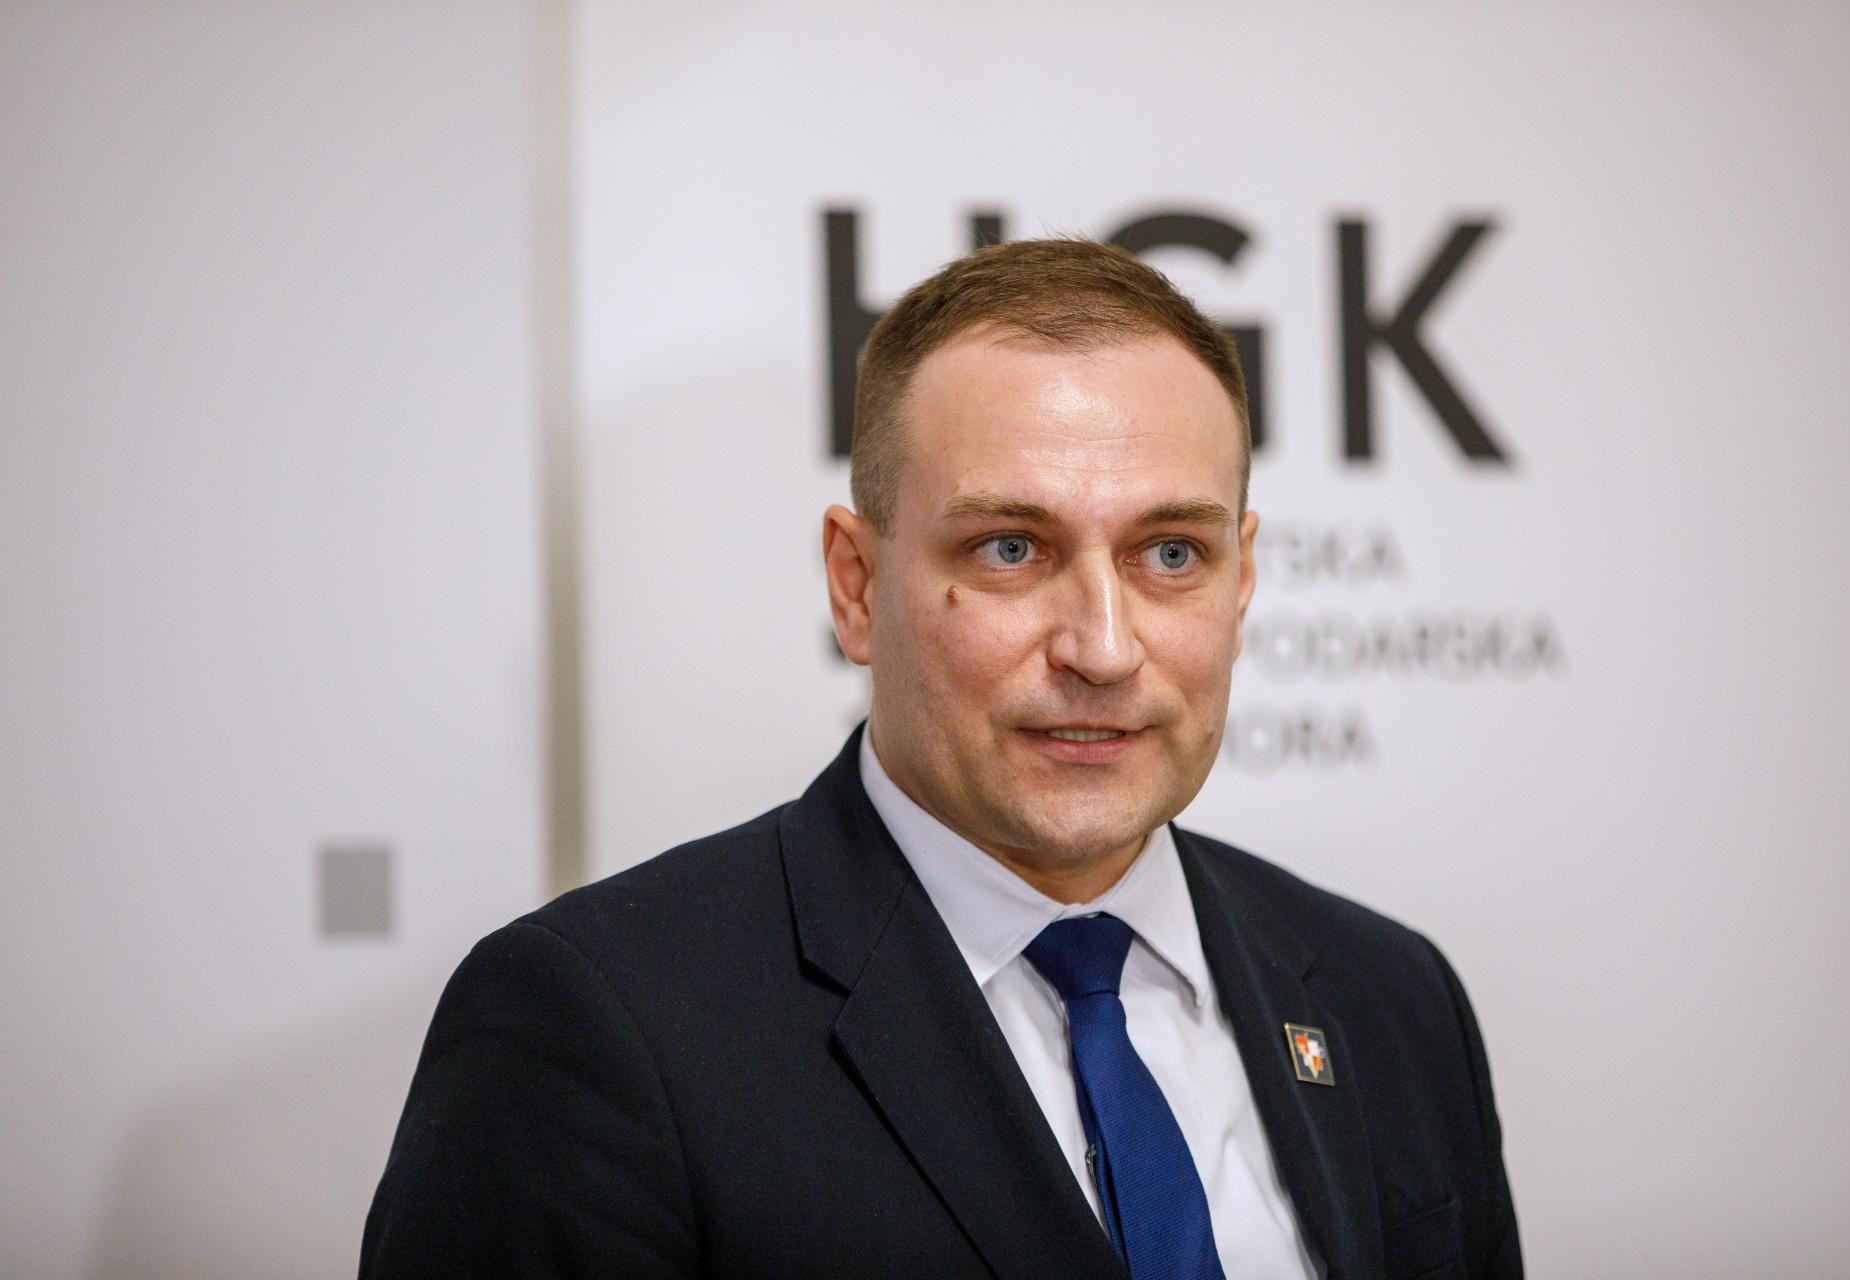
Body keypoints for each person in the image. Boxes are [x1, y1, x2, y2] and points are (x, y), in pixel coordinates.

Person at [361, 239, 1522, 1279]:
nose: (1103, 647)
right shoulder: (596, 1026)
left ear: (1244, 578)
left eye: (1171, 552)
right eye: (1010, 547)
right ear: (856, 584)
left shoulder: (1391, 995)